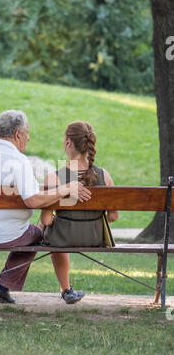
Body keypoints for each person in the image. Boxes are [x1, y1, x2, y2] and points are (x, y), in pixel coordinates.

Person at [0, 110, 92, 304]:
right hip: (5, 233)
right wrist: (67, 188)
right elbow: (33, 200)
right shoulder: (19, 161)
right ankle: (1, 288)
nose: (28, 138)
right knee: (37, 235)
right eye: (27, 133)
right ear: (17, 134)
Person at [41, 121, 119, 305]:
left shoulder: (54, 177)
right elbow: (114, 216)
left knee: (52, 232)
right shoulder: (104, 175)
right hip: (95, 238)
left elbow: (46, 219)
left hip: (62, 239)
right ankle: (67, 289)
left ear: (68, 142)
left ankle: (65, 289)